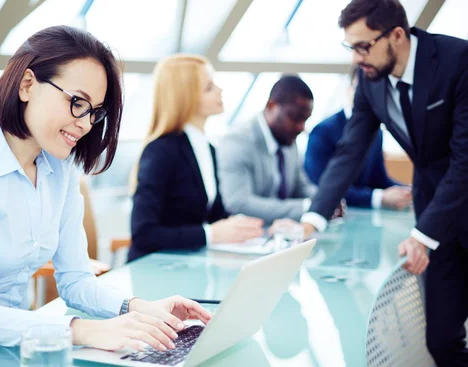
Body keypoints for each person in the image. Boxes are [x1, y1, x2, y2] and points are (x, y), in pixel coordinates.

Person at [0, 26, 212, 367]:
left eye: (94, 112)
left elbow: (76, 281)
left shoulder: (59, 170)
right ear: (26, 85)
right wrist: (87, 331)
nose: (85, 124)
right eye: (77, 103)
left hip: (20, 346)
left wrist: (138, 308)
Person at [300, 1, 468, 367]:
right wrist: (313, 219)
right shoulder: (371, 79)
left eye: (363, 46)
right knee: (442, 340)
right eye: (350, 48)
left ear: (396, 35)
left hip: (447, 211)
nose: (357, 58)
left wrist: (423, 235)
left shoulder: (457, 60)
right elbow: (349, 151)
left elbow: (465, 160)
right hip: (435, 218)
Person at [129, 54, 264, 262]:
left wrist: (258, 227)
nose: (220, 90)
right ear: (186, 97)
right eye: (209, 87)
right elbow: (144, 234)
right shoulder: (161, 151)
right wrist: (210, 234)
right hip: (154, 270)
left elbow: (215, 217)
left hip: (188, 265)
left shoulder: (207, 148)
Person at [304, 66, 411, 209]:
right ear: (349, 89)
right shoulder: (322, 131)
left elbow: (378, 179)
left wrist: (408, 192)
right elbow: (322, 189)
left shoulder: (376, 132)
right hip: (334, 215)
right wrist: (378, 197)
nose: (366, 95)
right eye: (360, 88)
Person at [217, 75, 317, 224]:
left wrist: (324, 200)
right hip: (247, 237)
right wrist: (306, 207)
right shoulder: (237, 141)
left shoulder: (288, 138)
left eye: (305, 120)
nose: (301, 127)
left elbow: (299, 186)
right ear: (271, 106)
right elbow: (238, 203)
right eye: (295, 118)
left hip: (283, 233)